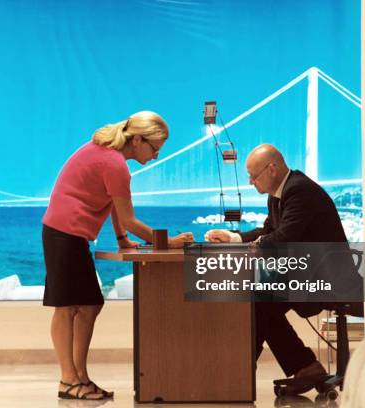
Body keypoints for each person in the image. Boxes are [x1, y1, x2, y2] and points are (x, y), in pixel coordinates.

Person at [42, 111, 194, 400]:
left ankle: (79, 378)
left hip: (66, 232)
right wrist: (170, 242)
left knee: (88, 305)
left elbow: (113, 203)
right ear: (137, 140)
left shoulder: (107, 155)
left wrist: (123, 239)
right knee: (68, 307)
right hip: (65, 232)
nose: (156, 155)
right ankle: (68, 380)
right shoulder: (114, 164)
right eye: (155, 149)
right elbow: (129, 218)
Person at [206, 143, 348, 395]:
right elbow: (270, 232)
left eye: (253, 175)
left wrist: (255, 246)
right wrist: (235, 238)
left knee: (258, 299)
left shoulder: (300, 191)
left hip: (330, 279)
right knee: (258, 301)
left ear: (272, 168)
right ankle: (289, 367)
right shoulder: (279, 193)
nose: (250, 181)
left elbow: (284, 238)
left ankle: (244, 371)